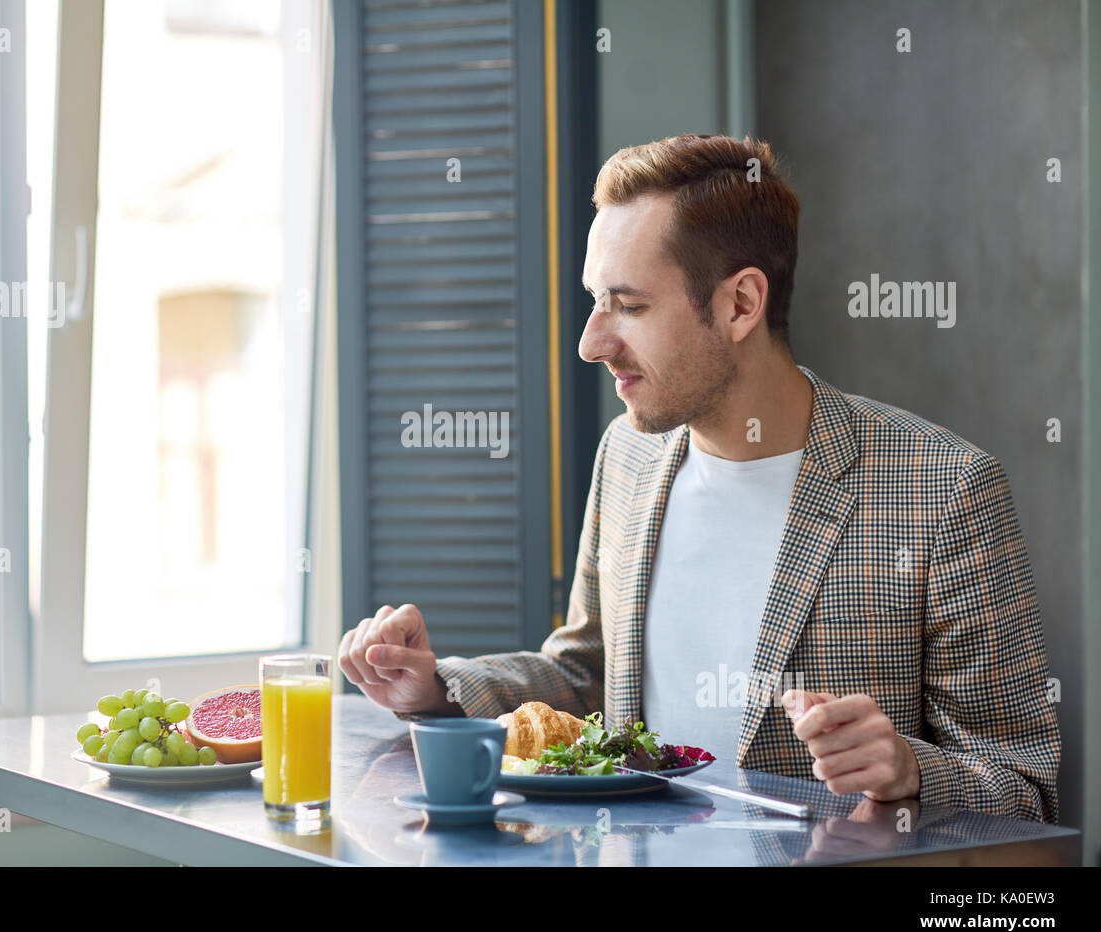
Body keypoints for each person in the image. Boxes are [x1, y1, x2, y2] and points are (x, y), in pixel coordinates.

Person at [337, 134, 1060, 823]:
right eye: (596, 301)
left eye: (630, 305)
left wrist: (907, 770)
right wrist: (435, 688)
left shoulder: (945, 490)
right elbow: (589, 675)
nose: (592, 342)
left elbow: (1023, 787)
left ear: (741, 303)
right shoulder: (627, 454)